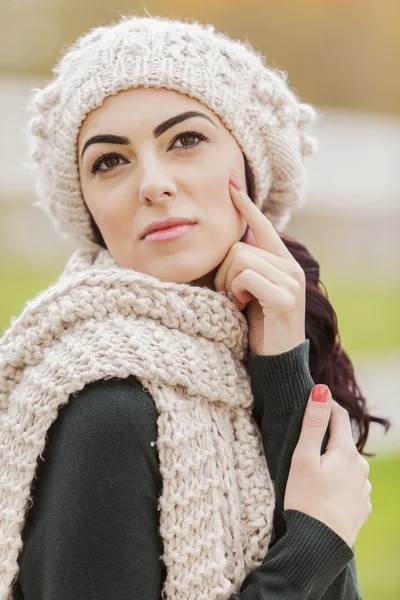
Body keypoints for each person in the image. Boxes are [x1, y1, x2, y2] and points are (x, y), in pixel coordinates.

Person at [0, 13, 390, 600]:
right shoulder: (106, 409)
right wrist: (312, 546)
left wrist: (282, 367)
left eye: (185, 140)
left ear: (249, 165)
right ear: (90, 211)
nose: (152, 183)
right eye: (110, 161)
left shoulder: (254, 355)